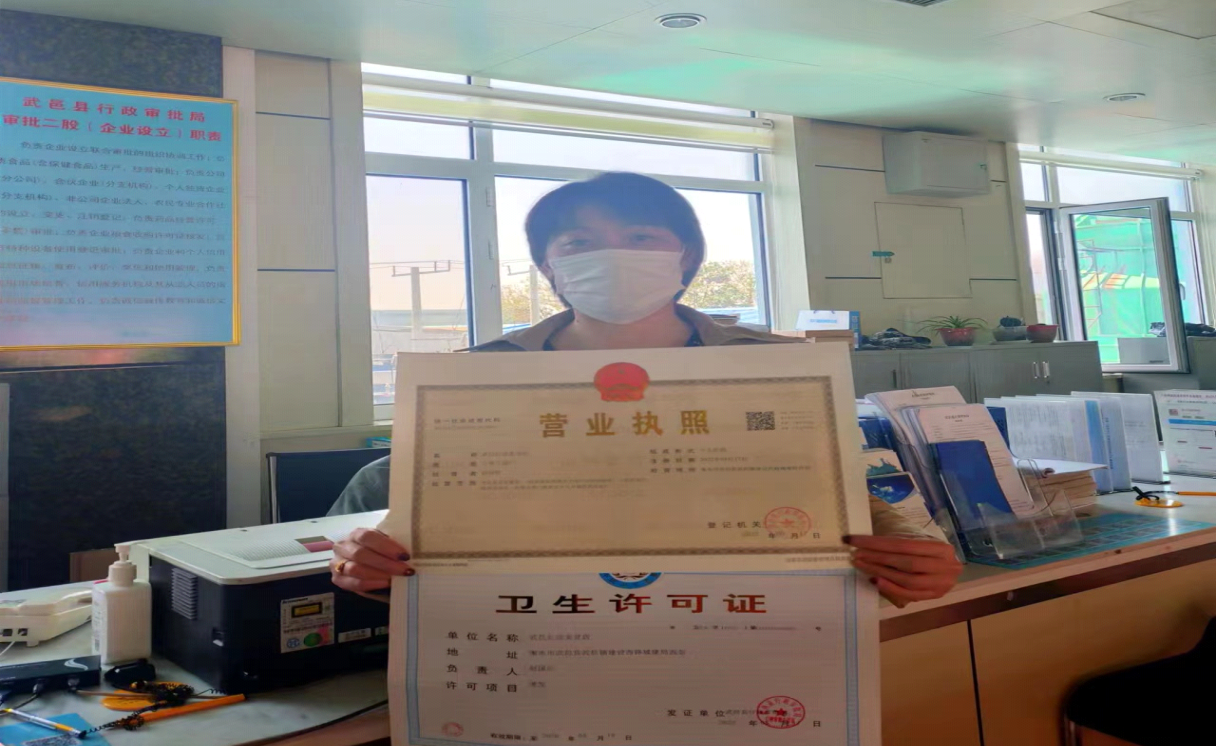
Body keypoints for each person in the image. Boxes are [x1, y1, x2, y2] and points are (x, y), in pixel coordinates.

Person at [330, 171, 961, 609]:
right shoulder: (481, 375)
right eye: (580, 244)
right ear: (549, 268)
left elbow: (832, 487)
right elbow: (403, 521)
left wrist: (919, 552)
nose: (613, 257)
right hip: (534, 645)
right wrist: (360, 559)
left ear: (685, 257)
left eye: (640, 238)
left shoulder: (774, 366)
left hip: (734, 643)